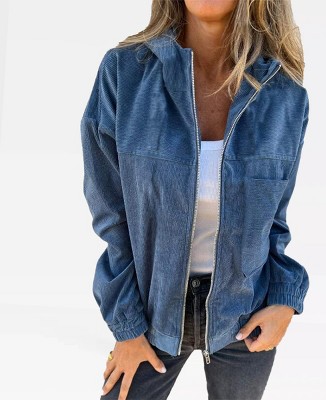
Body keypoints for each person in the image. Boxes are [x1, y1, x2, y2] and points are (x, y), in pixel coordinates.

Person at [80, 0, 310, 399]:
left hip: (245, 321)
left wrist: (285, 302)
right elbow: (111, 215)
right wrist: (128, 327)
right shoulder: (124, 73)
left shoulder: (284, 94)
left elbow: (274, 220)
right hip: (149, 318)